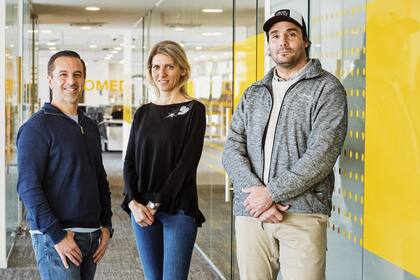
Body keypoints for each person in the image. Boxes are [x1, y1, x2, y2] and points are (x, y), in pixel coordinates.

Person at [222, 9, 348, 280]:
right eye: (275, 35)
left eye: (292, 34)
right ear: (268, 45)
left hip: (302, 213)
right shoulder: (254, 92)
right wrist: (257, 195)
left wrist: (271, 193)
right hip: (252, 213)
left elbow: (323, 154)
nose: (283, 41)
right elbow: (232, 148)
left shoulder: (327, 88)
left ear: (305, 41)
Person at [16, 50, 113, 280]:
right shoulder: (36, 128)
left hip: (92, 236)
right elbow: (28, 188)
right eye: (63, 74)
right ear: (50, 80)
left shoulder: (89, 126)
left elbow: (100, 179)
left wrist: (107, 226)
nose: (71, 81)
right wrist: (57, 236)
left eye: (77, 74)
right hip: (57, 239)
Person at [121, 40, 206, 280]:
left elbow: (186, 165)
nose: (162, 73)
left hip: (177, 208)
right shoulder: (143, 112)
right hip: (142, 209)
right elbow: (129, 162)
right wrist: (132, 202)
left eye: (169, 66)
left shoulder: (194, 110)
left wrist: (156, 204)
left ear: (182, 70)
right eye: (156, 67)